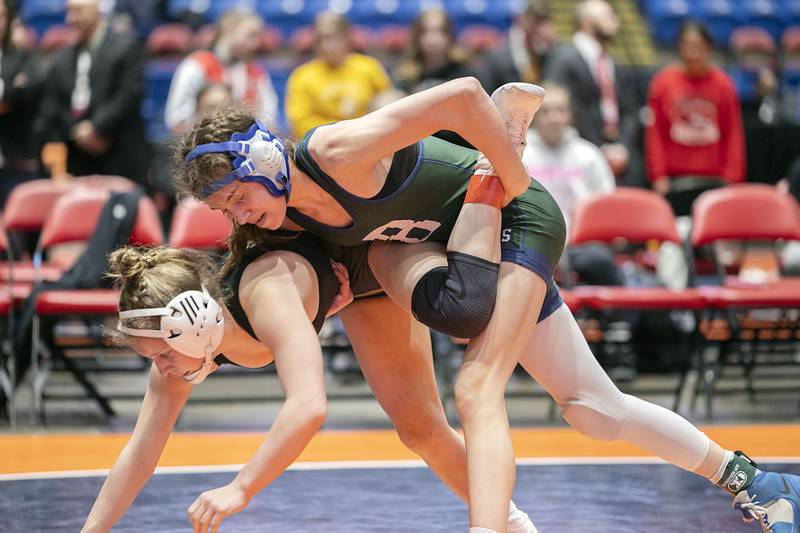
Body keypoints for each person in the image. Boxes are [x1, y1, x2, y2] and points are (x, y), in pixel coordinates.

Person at [179, 77, 800, 533]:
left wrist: (511, 173)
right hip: (453, 244)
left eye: (238, 196)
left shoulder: (337, 150)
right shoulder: (287, 221)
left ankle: (490, 530)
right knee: (594, 410)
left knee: (476, 385)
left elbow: (461, 95)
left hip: (517, 215)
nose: (237, 215)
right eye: (224, 209)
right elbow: (297, 296)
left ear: (264, 159)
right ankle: (764, 485)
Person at [80, 238, 540, 531]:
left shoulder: (264, 294)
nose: (160, 368)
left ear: (196, 323)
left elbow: (309, 407)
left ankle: (512, 524)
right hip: (335, 276)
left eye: (161, 353)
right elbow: (140, 453)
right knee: (419, 431)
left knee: (423, 427)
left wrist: (240, 488)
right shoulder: (188, 349)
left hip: (373, 261)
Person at [34, 0, 150, 185]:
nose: (70, 18)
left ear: (97, 9)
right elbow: (56, 104)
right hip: (78, 157)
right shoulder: (62, 58)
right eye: (69, 12)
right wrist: (78, 130)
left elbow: (129, 95)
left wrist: (97, 128)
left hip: (119, 152)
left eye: (78, 11)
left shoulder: (127, 47)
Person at [522, 81, 619, 286]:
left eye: (560, 110)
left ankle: (617, 317)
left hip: (581, 245)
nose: (554, 118)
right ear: (534, 115)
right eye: (546, 111)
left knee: (598, 260)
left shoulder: (588, 154)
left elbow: (606, 204)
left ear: (570, 115)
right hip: (529, 242)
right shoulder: (520, 153)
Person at [544, 0, 642, 185]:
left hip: (621, 155)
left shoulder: (611, 62)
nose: (616, 21)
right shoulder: (563, 59)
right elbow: (565, 108)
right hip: (580, 155)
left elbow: (630, 109)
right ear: (587, 21)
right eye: (608, 16)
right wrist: (598, 149)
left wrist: (623, 147)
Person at [645, 21, 745, 197]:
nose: (692, 51)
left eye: (698, 45)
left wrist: (733, 178)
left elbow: (733, 134)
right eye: (687, 45)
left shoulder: (723, 84)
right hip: (674, 179)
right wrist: (658, 175)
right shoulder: (662, 83)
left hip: (715, 179)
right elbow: (655, 135)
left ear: (708, 48)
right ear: (679, 47)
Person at [164, 7, 279, 135]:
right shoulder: (196, 65)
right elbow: (177, 119)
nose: (255, 44)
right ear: (229, 28)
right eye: (250, 35)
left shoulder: (256, 73)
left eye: (258, 37)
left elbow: (270, 120)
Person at [284, 11, 393, 139]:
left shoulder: (369, 67)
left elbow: (388, 106)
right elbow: (299, 122)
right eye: (321, 39)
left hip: (365, 139)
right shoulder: (302, 76)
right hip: (321, 143)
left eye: (334, 38)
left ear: (347, 38)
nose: (327, 46)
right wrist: (341, 132)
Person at [0, 0, 42, 207]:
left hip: (16, 157)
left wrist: (9, 95)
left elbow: (22, 95)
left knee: (17, 229)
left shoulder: (24, 58)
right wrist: (7, 88)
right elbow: (9, 96)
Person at [478, 0, 557, 93]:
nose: (539, 29)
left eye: (542, 23)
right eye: (536, 22)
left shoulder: (548, 50)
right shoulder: (497, 55)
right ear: (522, 18)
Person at [393, 7, 477, 95]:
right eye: (425, 32)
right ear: (416, 37)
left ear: (450, 36)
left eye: (440, 31)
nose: (433, 39)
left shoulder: (466, 70)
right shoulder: (406, 73)